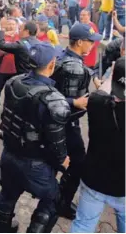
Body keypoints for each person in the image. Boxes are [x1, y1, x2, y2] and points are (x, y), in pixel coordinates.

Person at [0, 42, 70, 233]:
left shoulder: (13, 82)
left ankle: (3, 229)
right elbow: (56, 142)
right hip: (34, 164)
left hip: (9, 154)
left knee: (8, 194)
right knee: (53, 200)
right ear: (52, 64)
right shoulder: (54, 100)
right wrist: (63, 160)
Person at [52, 23, 102, 220]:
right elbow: (66, 103)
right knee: (78, 163)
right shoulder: (74, 67)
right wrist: (78, 102)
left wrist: (91, 76)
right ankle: (60, 203)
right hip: (66, 123)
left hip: (59, 122)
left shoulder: (65, 56)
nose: (92, 45)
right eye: (90, 42)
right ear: (80, 42)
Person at [71, 57, 125, 233]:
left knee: (83, 226)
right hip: (123, 187)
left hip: (94, 179)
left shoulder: (96, 102)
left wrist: (115, 72)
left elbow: (103, 89)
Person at [0, 18, 19, 115]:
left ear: (16, 26)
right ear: (6, 25)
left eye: (13, 24)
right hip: (1, 68)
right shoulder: (1, 35)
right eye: (9, 24)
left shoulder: (18, 36)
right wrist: (12, 48)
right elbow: (0, 49)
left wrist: (6, 46)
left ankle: (8, 108)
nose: (11, 26)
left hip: (15, 69)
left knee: (12, 91)